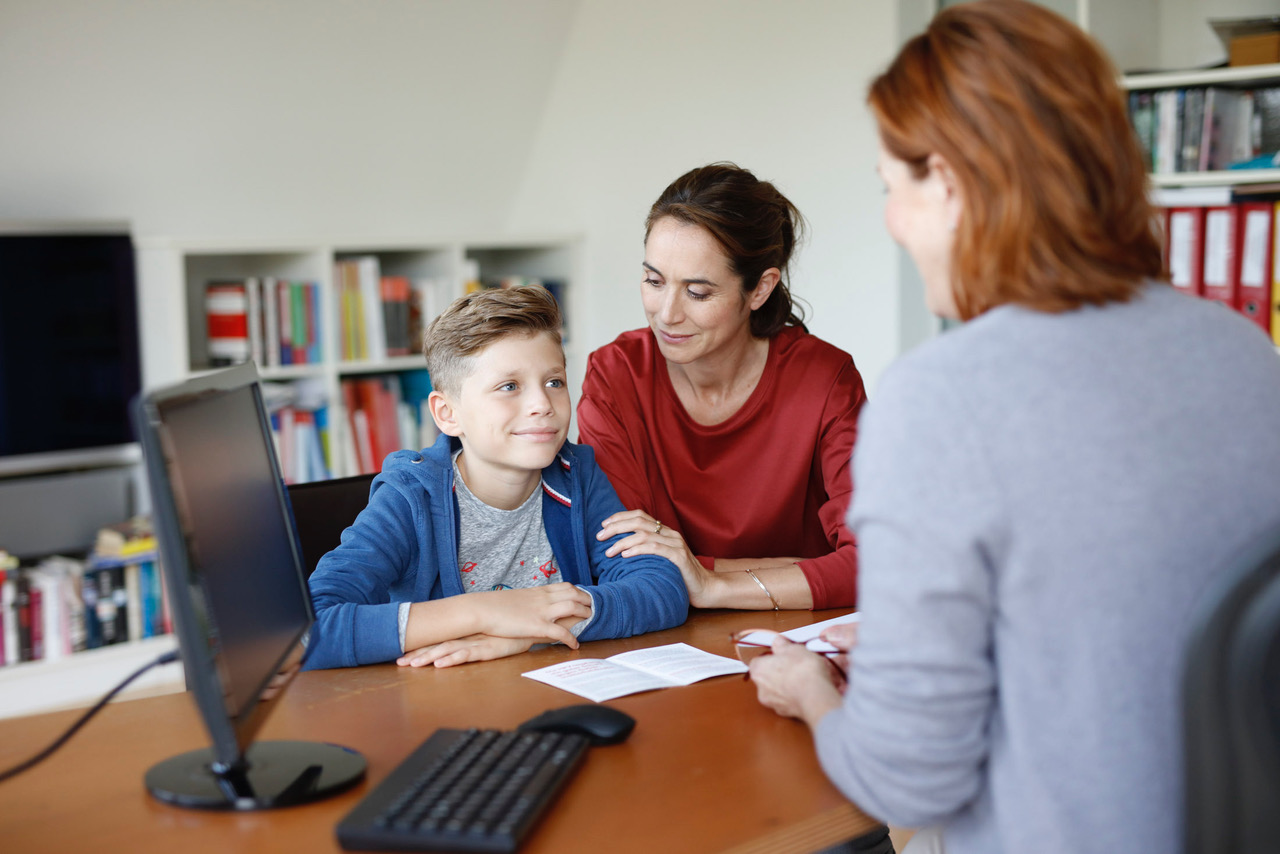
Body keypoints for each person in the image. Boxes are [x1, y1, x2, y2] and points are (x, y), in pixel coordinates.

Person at [747, 2, 1280, 853]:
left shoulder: (939, 401)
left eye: (893, 186)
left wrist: (813, 689)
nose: (891, 220)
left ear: (951, 185)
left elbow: (907, 775)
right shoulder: (1244, 354)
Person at [304, 286, 689, 671]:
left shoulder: (578, 474)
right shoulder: (410, 499)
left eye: (554, 382)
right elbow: (306, 630)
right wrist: (484, 613)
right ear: (447, 413)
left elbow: (662, 587)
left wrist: (528, 632)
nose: (542, 404)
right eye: (510, 387)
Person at [578, 163, 866, 611]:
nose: (666, 314)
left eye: (698, 292)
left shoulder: (826, 381)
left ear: (760, 289)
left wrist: (710, 584)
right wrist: (801, 569)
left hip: (796, 638)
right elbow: (621, 560)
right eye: (654, 281)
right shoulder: (616, 376)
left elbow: (876, 564)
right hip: (663, 640)